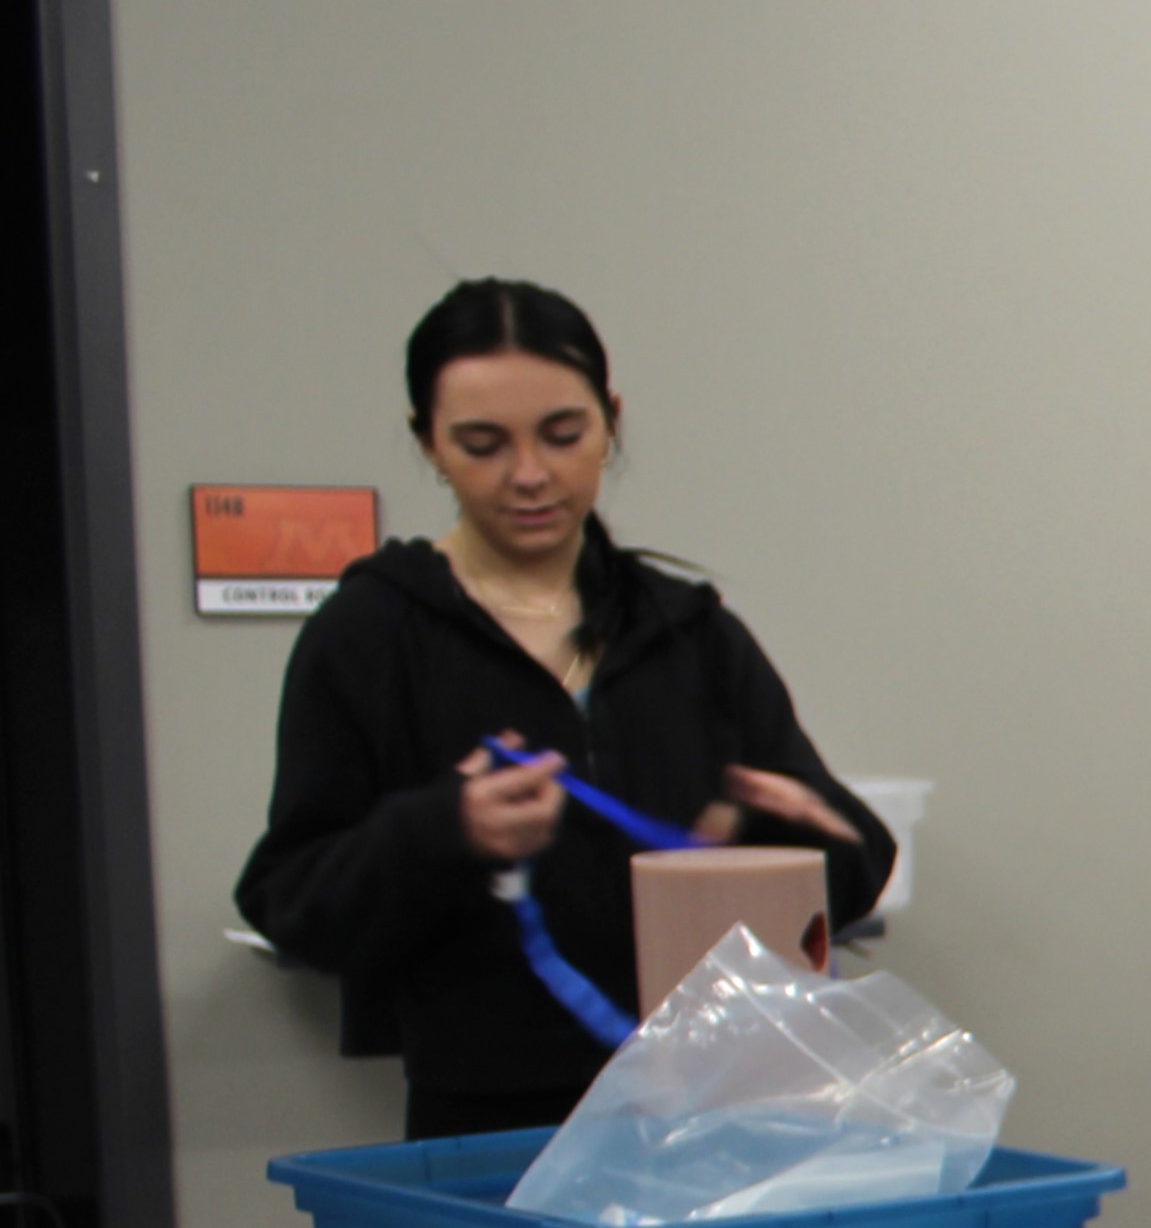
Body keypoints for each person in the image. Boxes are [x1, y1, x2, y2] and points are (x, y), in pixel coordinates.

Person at [236, 279, 890, 1139]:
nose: (530, 475)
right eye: (482, 444)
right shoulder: (371, 635)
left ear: (611, 419)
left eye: (563, 434)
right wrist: (444, 831)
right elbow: (290, 902)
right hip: (491, 1129)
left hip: (718, 1114)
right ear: (426, 443)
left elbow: (847, 873)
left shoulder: (688, 634)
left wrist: (811, 842)